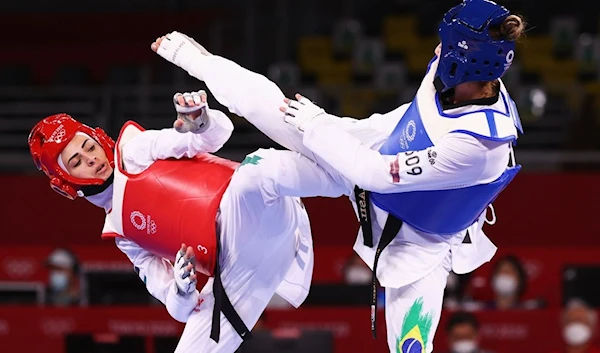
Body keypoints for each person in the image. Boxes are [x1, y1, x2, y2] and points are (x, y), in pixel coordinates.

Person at [152, 1, 525, 351]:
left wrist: (317, 126)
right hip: (376, 147)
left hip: (419, 239)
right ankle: (196, 60)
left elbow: (375, 174)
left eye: (445, 46)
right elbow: (367, 165)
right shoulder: (463, 75)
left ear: (466, 60)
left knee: (410, 346)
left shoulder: (480, 145)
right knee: (269, 132)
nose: (436, 51)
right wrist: (322, 129)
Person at [28, 90, 347, 352]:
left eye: (88, 146)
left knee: (257, 170)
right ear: (65, 183)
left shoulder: (137, 149)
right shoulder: (122, 233)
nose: (92, 159)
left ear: (99, 138)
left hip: (256, 213)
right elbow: (176, 306)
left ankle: (353, 178)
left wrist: (200, 121)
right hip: (235, 269)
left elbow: (215, 136)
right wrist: (182, 289)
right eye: (76, 162)